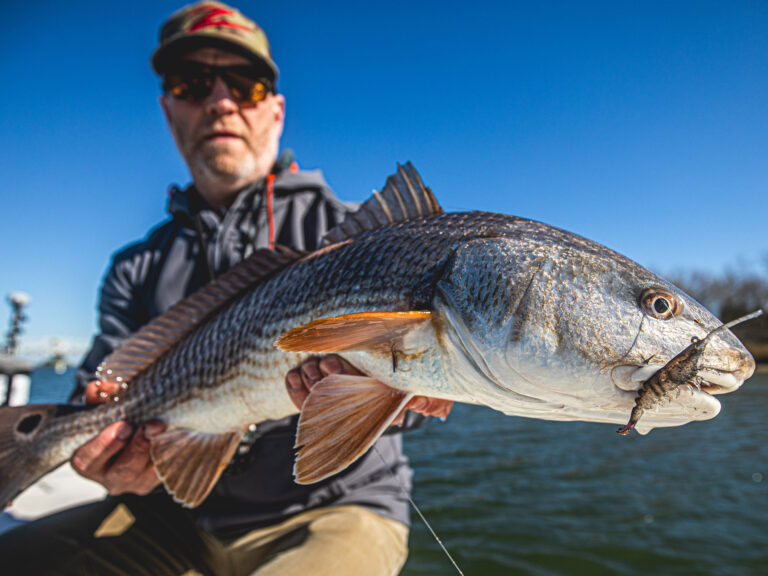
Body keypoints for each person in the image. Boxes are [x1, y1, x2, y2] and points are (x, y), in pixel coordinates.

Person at [0, 2, 451, 575]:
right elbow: (103, 384)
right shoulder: (134, 268)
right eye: (191, 83)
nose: (220, 101)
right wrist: (105, 450)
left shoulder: (367, 237)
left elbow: (421, 381)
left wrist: (412, 393)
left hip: (333, 509)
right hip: (171, 512)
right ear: (168, 110)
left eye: (246, 83)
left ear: (277, 110)